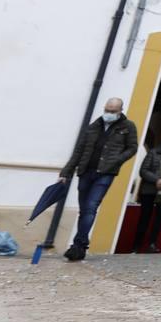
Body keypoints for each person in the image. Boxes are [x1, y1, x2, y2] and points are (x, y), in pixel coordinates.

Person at [57, 97, 139, 262]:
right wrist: (66, 172)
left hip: (105, 173)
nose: (109, 113)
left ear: (120, 111)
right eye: (107, 110)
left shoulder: (128, 126)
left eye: (113, 111)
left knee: (91, 207)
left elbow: (132, 148)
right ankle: (82, 243)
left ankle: (77, 246)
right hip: (86, 171)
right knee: (84, 210)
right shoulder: (94, 126)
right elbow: (79, 150)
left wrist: (116, 160)